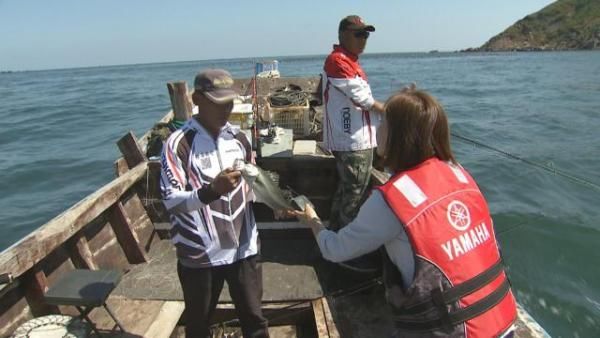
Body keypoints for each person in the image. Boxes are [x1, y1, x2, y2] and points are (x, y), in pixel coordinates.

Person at [296, 87, 517, 337]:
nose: (377, 129)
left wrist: (313, 219)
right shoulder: (459, 172)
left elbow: (335, 250)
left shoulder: (389, 201)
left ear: (398, 137)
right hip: (503, 320)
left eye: (382, 123)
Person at [160, 69, 269, 338]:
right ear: (196, 99)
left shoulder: (239, 138)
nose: (225, 109)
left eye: (229, 102)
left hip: (245, 249)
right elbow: (171, 201)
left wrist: (275, 203)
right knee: (198, 325)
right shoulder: (178, 144)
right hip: (201, 256)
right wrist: (211, 191)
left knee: (256, 320)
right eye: (217, 103)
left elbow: (252, 187)